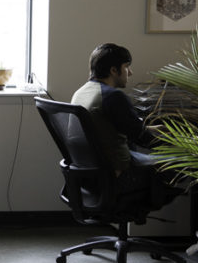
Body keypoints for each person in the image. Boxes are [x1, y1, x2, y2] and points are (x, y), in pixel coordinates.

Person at [70, 42, 169, 200]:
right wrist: (186, 145)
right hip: (121, 176)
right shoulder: (113, 96)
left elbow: (125, 128)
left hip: (93, 174)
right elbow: (143, 139)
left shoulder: (82, 92)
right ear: (114, 70)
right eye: (127, 67)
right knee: (182, 164)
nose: (130, 73)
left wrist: (161, 129)